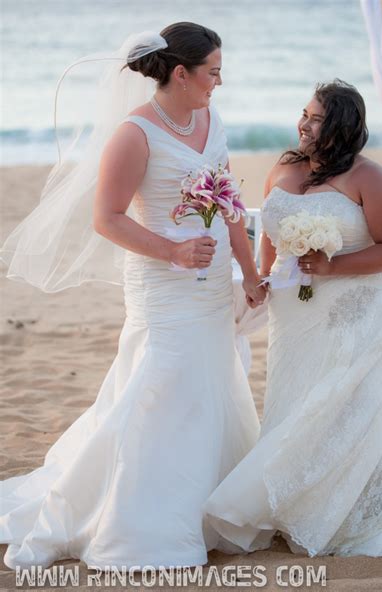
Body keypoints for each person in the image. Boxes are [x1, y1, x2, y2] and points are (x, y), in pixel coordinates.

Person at [0, 23, 266, 570]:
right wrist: (170, 252)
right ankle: (141, 515)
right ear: (180, 73)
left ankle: (208, 502)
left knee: (210, 380)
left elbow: (229, 202)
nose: (219, 81)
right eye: (212, 71)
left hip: (212, 282)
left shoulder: (212, 119)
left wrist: (248, 269)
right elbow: (107, 218)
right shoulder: (134, 134)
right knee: (161, 385)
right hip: (163, 283)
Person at [204, 80, 382, 560]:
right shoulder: (286, 167)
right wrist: (262, 276)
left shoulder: (373, 180)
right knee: (296, 399)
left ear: (343, 126)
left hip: (356, 311)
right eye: (303, 114)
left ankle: (342, 509)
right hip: (296, 313)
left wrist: (333, 266)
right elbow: (271, 228)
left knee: (343, 404)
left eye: (316, 118)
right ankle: (295, 502)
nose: (303, 125)